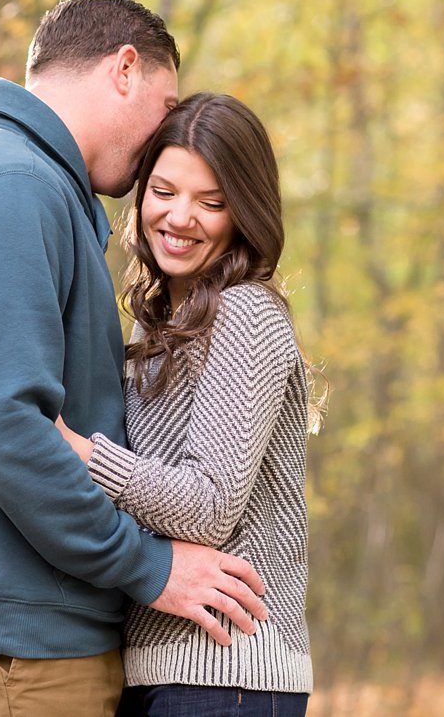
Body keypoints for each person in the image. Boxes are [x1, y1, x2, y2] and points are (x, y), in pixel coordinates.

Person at [0, 0, 269, 717]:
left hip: (15, 623)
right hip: (17, 637)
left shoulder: (20, 180)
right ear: (125, 69)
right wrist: (146, 566)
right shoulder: (12, 187)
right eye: (166, 101)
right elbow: (0, 425)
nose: (161, 139)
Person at [55, 92, 313, 717]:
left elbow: (208, 507)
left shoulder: (246, 313)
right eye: (164, 191)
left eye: (212, 202)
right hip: (165, 671)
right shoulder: (160, 325)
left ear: (243, 212)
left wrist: (74, 450)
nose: (180, 217)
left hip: (229, 671)